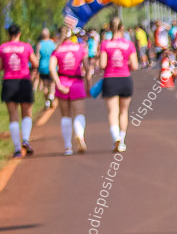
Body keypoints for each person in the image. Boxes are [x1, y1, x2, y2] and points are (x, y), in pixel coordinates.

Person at [0, 24, 39, 157]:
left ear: (9, 34)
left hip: (9, 82)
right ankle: (26, 139)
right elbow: (35, 63)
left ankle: (16, 149)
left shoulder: (3, 48)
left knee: (13, 116)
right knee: (27, 113)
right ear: (19, 33)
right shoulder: (26, 46)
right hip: (23, 81)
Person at [99, 18, 138, 152]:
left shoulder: (105, 44)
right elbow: (135, 65)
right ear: (122, 28)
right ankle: (121, 140)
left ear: (109, 28)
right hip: (125, 79)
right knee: (123, 112)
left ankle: (115, 137)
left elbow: (102, 65)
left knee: (112, 112)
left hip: (110, 79)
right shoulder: (129, 45)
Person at [50, 29, 90, 155]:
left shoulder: (57, 50)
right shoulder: (79, 48)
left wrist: (58, 84)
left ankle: (68, 147)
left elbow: (51, 68)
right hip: (76, 84)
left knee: (65, 115)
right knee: (79, 113)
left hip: (62, 82)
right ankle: (79, 133)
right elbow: (87, 68)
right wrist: (88, 85)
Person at [36, 29, 58, 109]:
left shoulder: (40, 44)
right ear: (49, 35)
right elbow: (56, 55)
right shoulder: (52, 44)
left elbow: (37, 57)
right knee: (52, 84)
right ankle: (51, 96)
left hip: (42, 67)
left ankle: (47, 101)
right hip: (52, 67)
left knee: (45, 85)